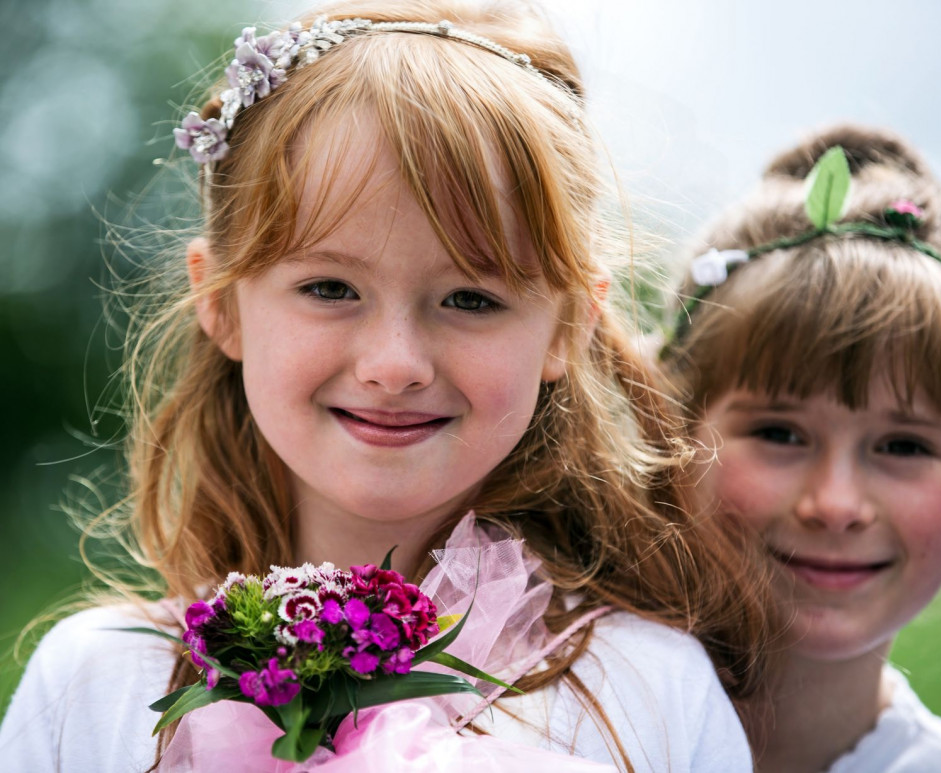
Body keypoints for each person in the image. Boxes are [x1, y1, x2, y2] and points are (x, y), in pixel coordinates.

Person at [0, 2, 773, 770]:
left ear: (567, 329)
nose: (395, 363)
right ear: (222, 302)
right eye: (331, 288)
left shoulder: (651, 688)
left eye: (471, 298)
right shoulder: (95, 686)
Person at [660, 123, 941, 772]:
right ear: (671, 438)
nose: (835, 503)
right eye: (780, 433)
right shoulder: (544, 724)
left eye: (903, 445)